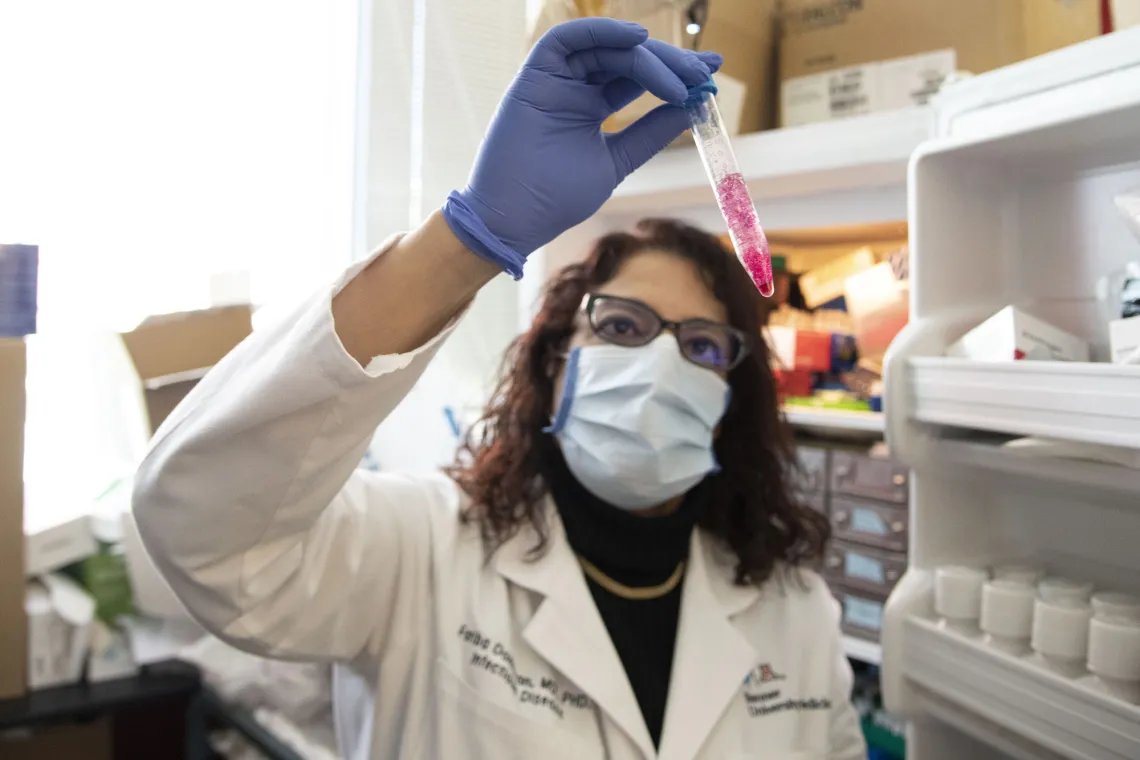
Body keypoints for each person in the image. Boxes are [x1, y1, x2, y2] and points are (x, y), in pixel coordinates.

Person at [133, 17, 866, 760]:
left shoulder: (795, 614)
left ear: (730, 403)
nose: (660, 366)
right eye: (620, 328)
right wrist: (473, 237)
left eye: (702, 346)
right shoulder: (418, 552)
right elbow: (200, 529)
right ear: (553, 367)